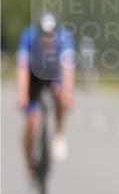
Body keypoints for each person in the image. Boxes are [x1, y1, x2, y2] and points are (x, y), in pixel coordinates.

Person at [16, 12, 75, 176]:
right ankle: (29, 165)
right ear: (38, 34)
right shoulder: (28, 37)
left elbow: (68, 69)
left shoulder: (65, 39)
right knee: (30, 123)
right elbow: (22, 69)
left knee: (61, 97)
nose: (48, 40)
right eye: (44, 37)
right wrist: (22, 95)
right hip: (33, 76)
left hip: (53, 74)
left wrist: (67, 93)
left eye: (51, 37)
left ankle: (59, 133)